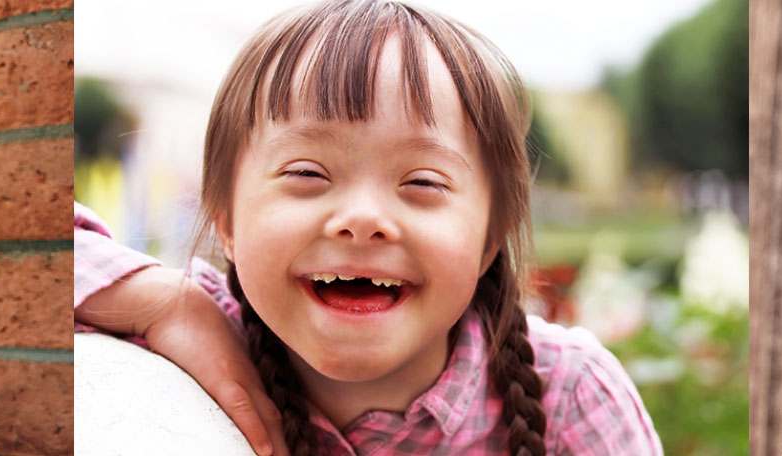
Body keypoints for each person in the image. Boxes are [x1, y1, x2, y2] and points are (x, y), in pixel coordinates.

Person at [74, 1, 663, 454]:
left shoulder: (571, 392)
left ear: (490, 239)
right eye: (307, 171)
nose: (362, 219)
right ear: (224, 218)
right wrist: (159, 304)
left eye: (423, 182)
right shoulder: (191, 344)